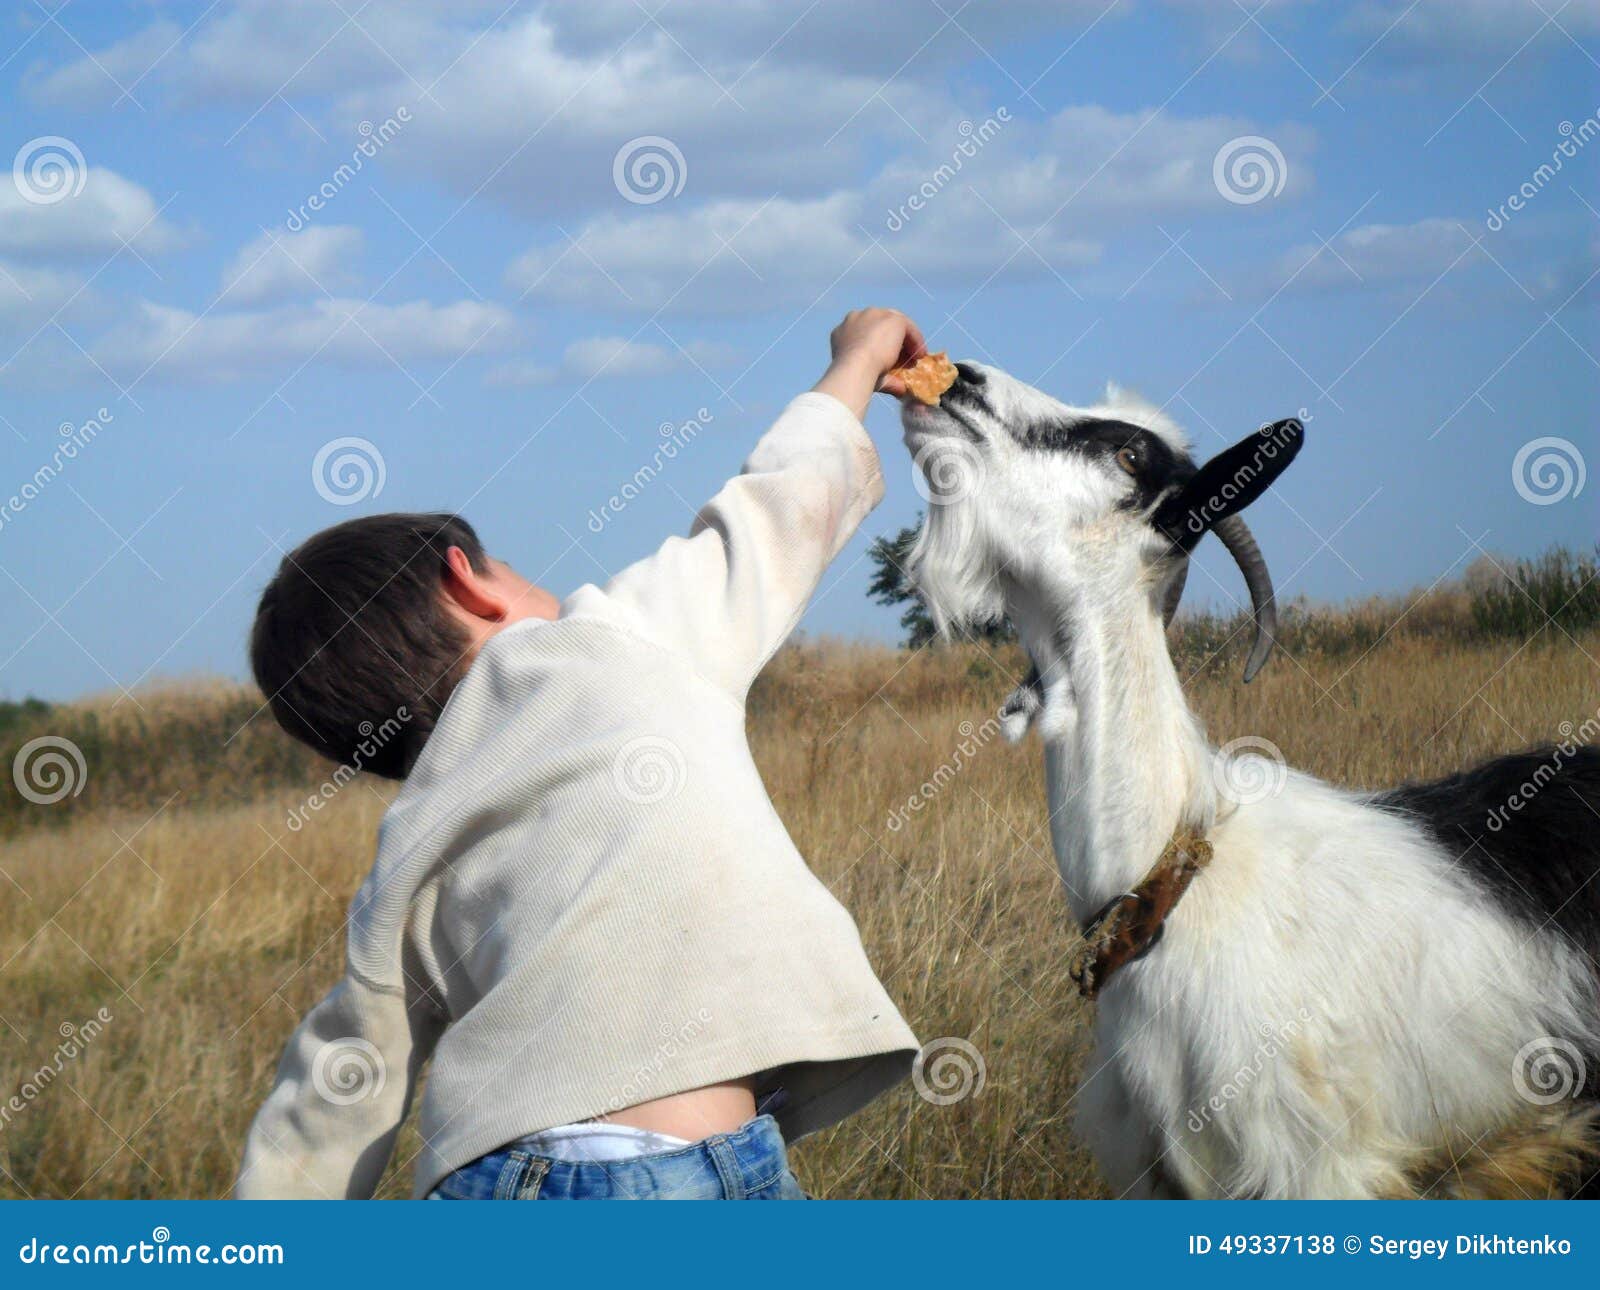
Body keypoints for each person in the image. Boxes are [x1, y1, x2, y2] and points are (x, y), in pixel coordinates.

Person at [235, 308, 926, 1200]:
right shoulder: (620, 636)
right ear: (466, 580)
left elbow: (339, 1081)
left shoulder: (409, 844)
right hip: (680, 1178)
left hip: (493, 1184)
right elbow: (777, 507)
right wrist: (857, 363)